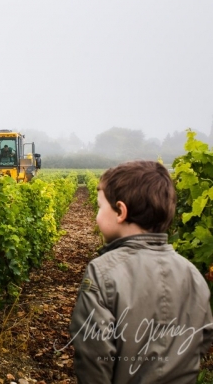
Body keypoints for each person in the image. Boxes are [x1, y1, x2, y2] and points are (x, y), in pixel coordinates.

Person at [69, 161, 213, 383]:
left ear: (120, 212)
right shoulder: (193, 274)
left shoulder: (102, 272)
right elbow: (202, 341)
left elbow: (93, 358)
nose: (97, 215)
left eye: (99, 207)